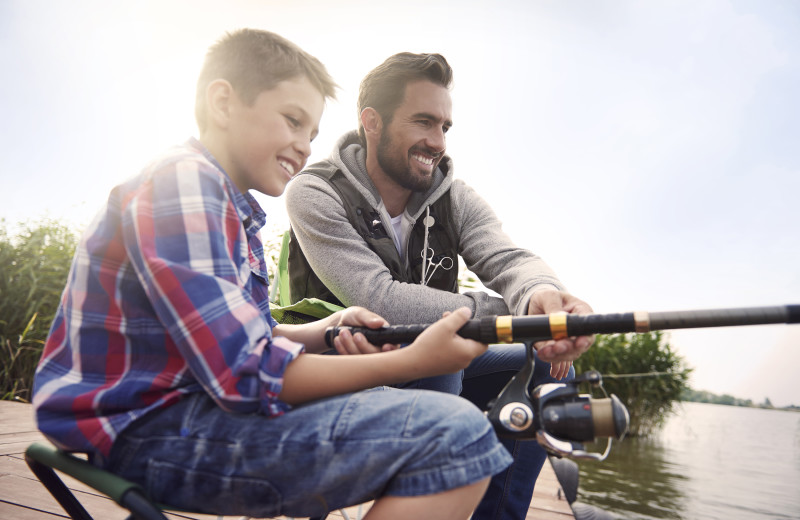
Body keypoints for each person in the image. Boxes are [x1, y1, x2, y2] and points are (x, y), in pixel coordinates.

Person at [31, 31, 514, 520]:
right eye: (292, 120)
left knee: (449, 425)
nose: (304, 147)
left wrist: (325, 330)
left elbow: (249, 341)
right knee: (457, 435)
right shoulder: (184, 184)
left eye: (312, 134)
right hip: (151, 433)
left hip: (180, 417)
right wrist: (411, 361)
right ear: (223, 102)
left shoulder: (226, 205)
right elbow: (246, 377)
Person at [285, 52, 594, 520]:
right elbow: (378, 298)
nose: (437, 142)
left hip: (427, 356)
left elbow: (508, 257)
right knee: (444, 365)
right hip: (337, 359)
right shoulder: (314, 192)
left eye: (445, 127)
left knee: (544, 371)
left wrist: (541, 296)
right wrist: (509, 316)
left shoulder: (456, 197)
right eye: (424, 122)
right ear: (372, 121)